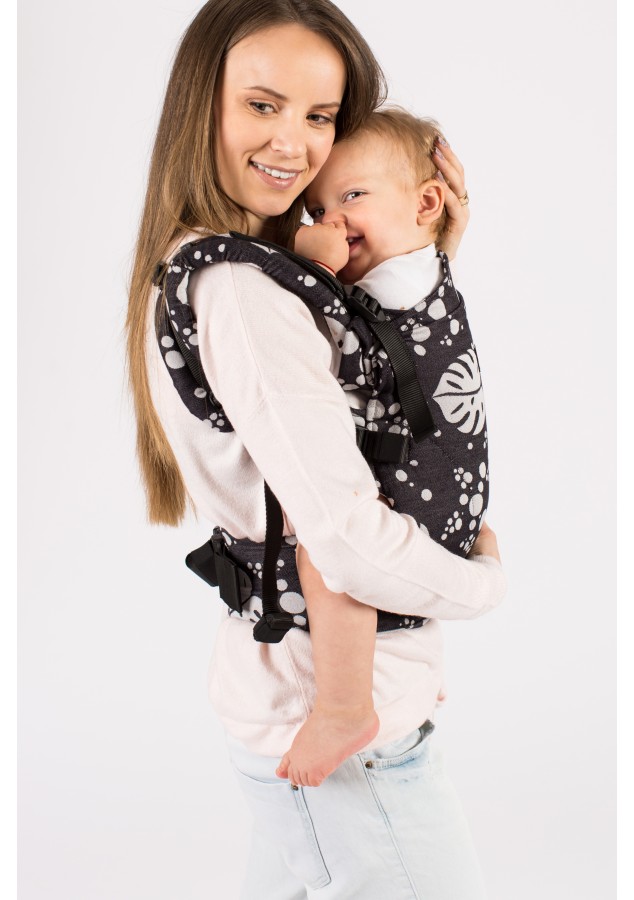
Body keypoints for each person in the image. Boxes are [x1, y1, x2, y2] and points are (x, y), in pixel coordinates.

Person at [126, 1, 505, 896]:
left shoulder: (241, 265)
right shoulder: (242, 288)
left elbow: (372, 379)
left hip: (313, 698)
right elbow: (344, 540)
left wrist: (422, 252)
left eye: (321, 115)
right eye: (262, 105)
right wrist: (479, 586)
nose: (294, 144)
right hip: (338, 725)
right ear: (202, 104)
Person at [276, 107, 488, 790]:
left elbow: (317, 317)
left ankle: (345, 708)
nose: (332, 221)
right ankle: (406, 667)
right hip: (451, 495)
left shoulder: (389, 284)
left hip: (416, 491)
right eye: (318, 209)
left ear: (426, 204)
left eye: (352, 196)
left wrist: (311, 261)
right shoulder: (424, 274)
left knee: (328, 547)